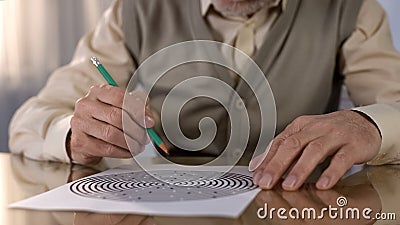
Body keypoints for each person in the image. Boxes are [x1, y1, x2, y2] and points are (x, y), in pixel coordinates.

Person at [9, 0, 400, 191]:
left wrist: (368, 124)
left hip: (295, 208)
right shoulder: (136, 8)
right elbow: (34, 116)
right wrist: (74, 132)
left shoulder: (353, 8)